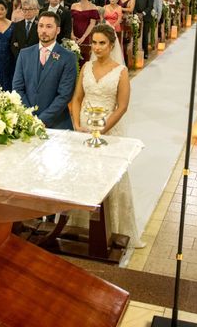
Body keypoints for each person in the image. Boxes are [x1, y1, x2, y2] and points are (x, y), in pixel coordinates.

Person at [69, 23, 142, 246]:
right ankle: (78, 224)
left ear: (111, 45)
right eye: (95, 43)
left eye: (102, 43)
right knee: (82, 174)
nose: (97, 47)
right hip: (83, 126)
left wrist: (102, 129)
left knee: (108, 176)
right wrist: (77, 124)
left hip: (108, 129)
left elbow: (122, 106)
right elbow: (76, 99)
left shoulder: (120, 72)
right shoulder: (86, 68)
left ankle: (112, 228)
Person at [12, 11, 77, 129]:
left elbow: (64, 95)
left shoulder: (68, 57)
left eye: (49, 26)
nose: (43, 31)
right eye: (41, 26)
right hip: (27, 122)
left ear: (58, 30)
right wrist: (29, 116)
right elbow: (17, 88)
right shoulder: (24, 54)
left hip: (57, 124)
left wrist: (41, 120)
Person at [71, 0, 101, 66]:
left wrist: (84, 37)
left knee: (85, 58)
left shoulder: (93, 7)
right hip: (74, 34)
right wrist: (72, 34)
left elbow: (92, 24)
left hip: (87, 35)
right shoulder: (74, 5)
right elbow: (71, 21)